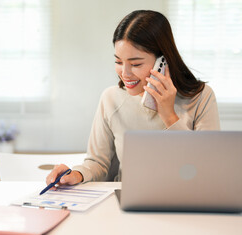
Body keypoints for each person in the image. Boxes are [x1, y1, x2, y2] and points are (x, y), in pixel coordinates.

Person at [46, 10, 220, 187]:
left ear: (163, 61)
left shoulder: (201, 97)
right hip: (127, 204)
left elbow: (206, 167)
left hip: (186, 199)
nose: (125, 73)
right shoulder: (111, 98)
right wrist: (77, 174)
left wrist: (169, 115)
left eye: (136, 64)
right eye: (119, 62)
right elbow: (97, 163)